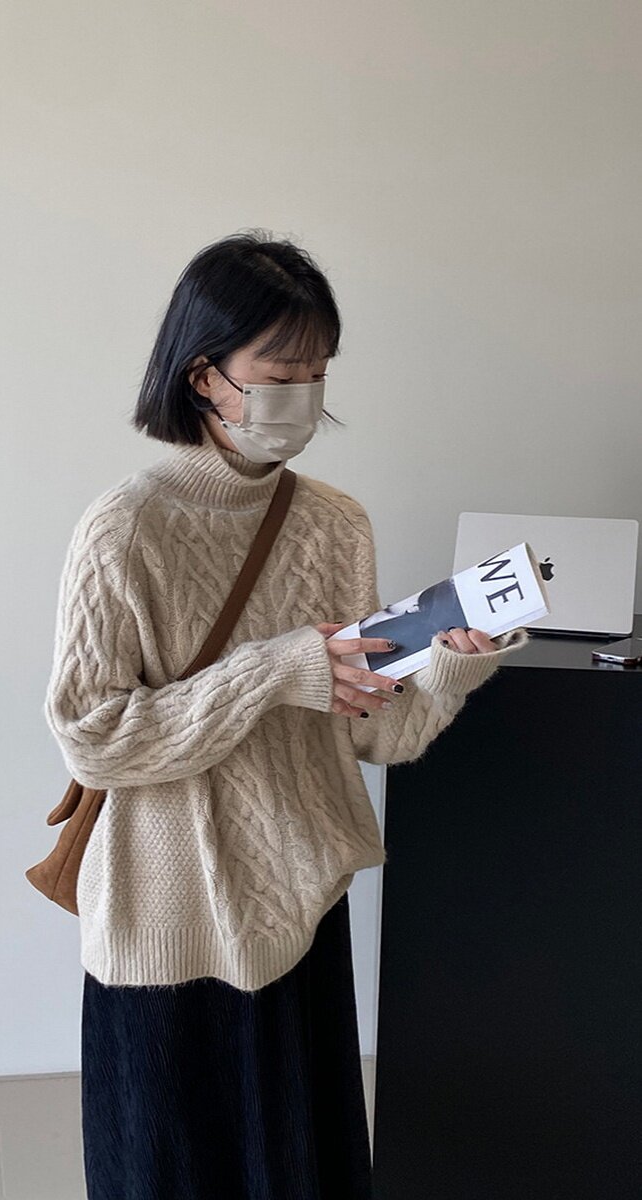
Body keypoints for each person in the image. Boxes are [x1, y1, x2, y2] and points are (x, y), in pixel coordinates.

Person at [43, 230, 529, 1199]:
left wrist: (448, 672)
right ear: (204, 377)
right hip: (169, 919)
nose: (303, 395)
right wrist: (274, 670)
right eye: (279, 372)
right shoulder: (124, 527)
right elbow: (95, 737)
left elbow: (372, 732)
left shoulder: (335, 523)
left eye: (318, 371)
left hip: (298, 909)